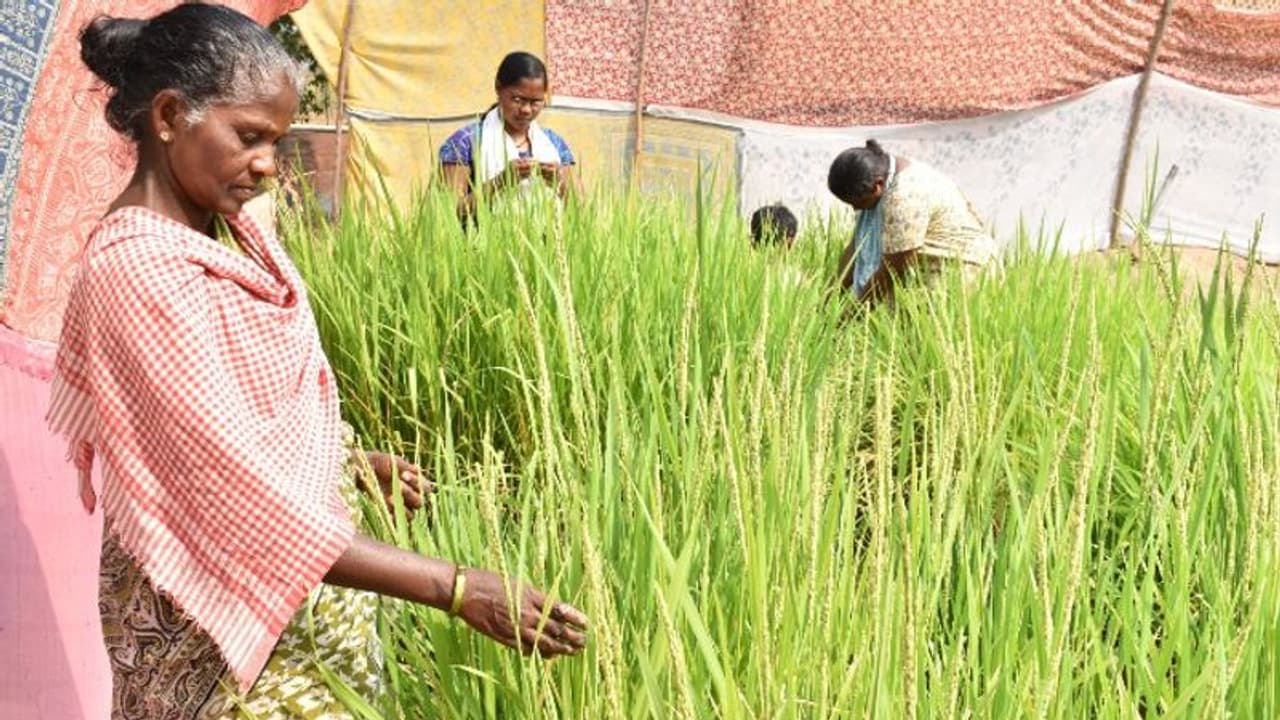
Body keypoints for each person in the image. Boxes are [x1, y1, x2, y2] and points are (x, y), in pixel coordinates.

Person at [52, 7, 586, 719]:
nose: (268, 164)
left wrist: (345, 464)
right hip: (221, 656)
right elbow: (230, 492)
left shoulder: (224, 237)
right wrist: (456, 586)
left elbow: (228, 426)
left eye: (277, 140)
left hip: (302, 632)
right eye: (249, 136)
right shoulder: (141, 273)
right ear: (172, 115)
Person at [827, 140, 997, 303]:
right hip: (925, 265)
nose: (856, 209)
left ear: (878, 185)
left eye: (859, 202)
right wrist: (827, 299)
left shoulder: (903, 199)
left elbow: (891, 271)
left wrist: (849, 316)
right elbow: (857, 247)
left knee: (931, 321)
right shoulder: (885, 171)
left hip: (960, 268)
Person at [439, 51, 581, 220]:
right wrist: (501, 182)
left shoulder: (555, 144)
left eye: (536, 102)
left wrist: (558, 181)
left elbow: (582, 211)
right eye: (518, 100)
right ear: (498, 88)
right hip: (482, 237)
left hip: (547, 238)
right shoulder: (464, 143)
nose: (526, 110)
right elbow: (446, 214)